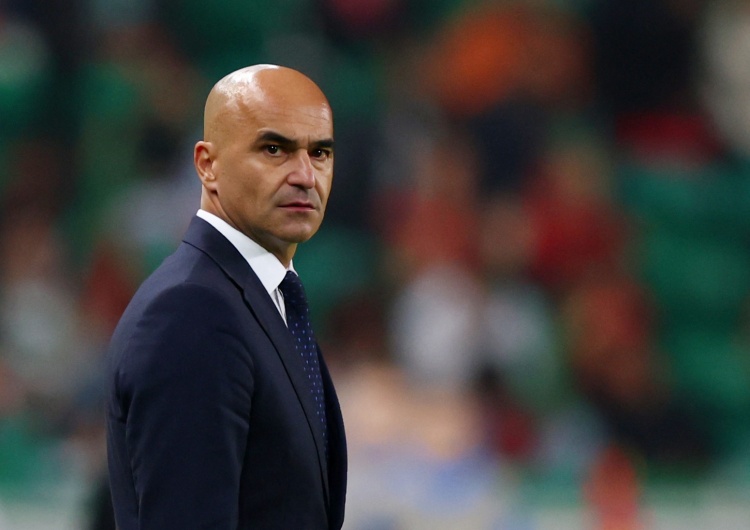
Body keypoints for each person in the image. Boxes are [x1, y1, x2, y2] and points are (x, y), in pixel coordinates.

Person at [106, 64, 347, 529]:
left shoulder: (263, 300)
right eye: (274, 149)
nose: (305, 175)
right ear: (207, 165)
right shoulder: (191, 314)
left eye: (319, 153)